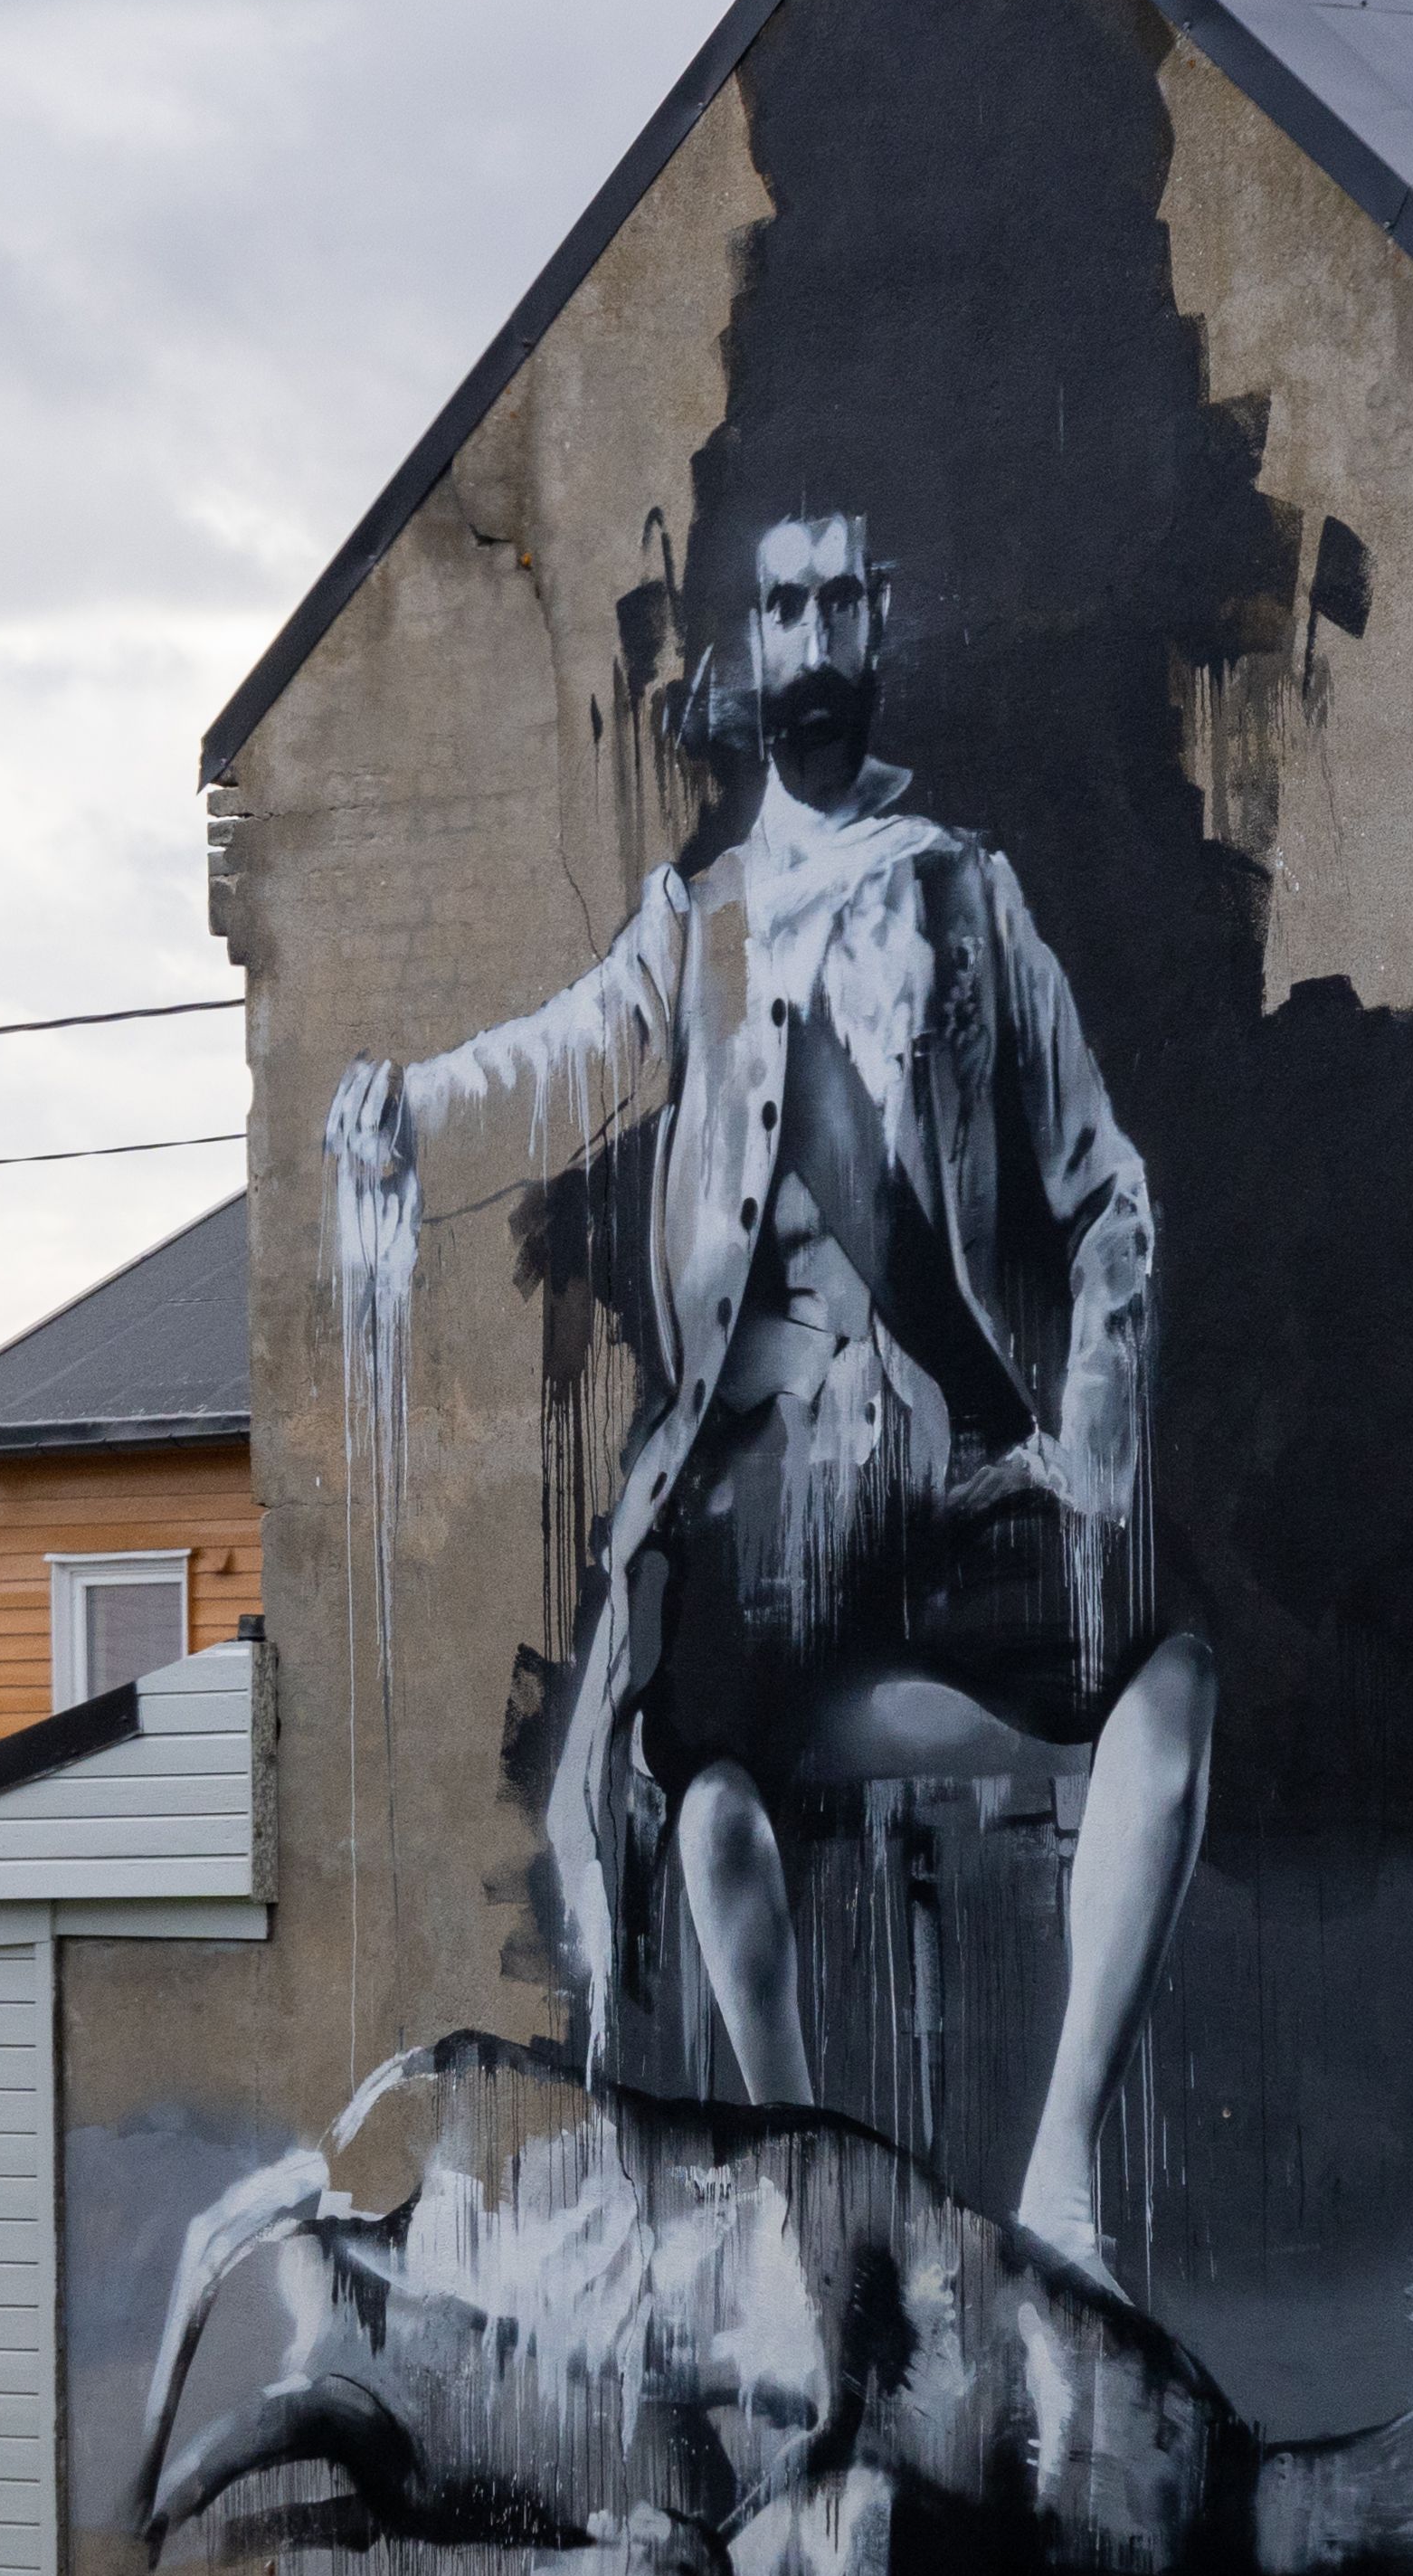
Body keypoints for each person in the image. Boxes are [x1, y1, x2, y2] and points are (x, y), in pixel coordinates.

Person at [325, 509, 1212, 2270]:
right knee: (696, 1775)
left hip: (942, 1473)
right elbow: (564, 1061)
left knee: (1167, 1680)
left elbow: (1108, 1194)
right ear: (747, 650)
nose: (807, 638)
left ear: (877, 624)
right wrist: (411, 1112)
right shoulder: (703, 928)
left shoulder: (966, 891)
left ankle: (1062, 2178)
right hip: (749, 1502)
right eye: (780, 606)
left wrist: (1097, 1430)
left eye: (836, 601)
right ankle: (811, 2181)